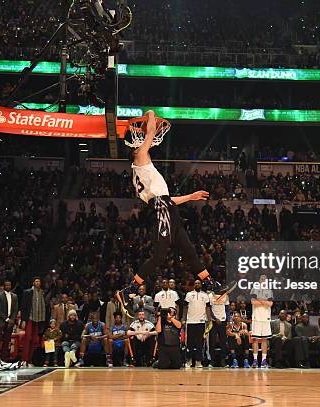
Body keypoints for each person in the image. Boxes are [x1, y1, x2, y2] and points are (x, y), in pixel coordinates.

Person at [117, 110, 229, 314]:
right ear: (136, 149)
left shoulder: (143, 169)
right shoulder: (140, 157)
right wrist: (150, 114)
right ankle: (129, 290)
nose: (146, 145)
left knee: (189, 251)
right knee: (159, 256)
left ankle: (212, 285)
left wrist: (190, 196)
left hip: (166, 208)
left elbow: (167, 199)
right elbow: (150, 132)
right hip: (162, 210)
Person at [183, 280, 211, 368]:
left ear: (201, 285)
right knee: (190, 343)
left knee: (200, 343)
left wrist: (209, 320)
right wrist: (184, 319)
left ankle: (199, 361)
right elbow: (185, 307)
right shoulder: (189, 294)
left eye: (198, 283)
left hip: (201, 322)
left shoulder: (205, 295)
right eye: (195, 283)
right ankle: (189, 361)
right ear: (194, 285)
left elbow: (207, 308)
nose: (197, 284)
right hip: (190, 321)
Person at [21, 277, 48, 366]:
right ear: (33, 283)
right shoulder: (27, 292)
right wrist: (23, 320)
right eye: (36, 281)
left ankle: (29, 360)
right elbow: (24, 307)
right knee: (27, 338)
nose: (38, 283)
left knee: (34, 340)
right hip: (29, 317)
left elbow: (43, 306)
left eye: (39, 281)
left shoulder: (42, 293)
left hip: (38, 318)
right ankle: (24, 359)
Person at [250, 275, 273, 368]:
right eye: (261, 279)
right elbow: (253, 302)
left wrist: (259, 300)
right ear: (259, 280)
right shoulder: (254, 289)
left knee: (264, 340)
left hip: (266, 318)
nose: (263, 280)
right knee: (255, 339)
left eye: (264, 279)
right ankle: (255, 360)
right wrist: (264, 302)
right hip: (256, 317)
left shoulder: (269, 291)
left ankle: (264, 361)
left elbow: (270, 304)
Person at [0, 280, 19, 362]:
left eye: (9, 285)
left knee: (6, 340)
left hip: (10, 321)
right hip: (1, 321)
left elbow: (15, 309)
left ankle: (4, 359)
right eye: (6, 285)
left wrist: (12, 319)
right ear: (4, 286)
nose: (8, 286)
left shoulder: (14, 296)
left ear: (11, 286)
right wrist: (7, 319)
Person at [208, 288, 229, 367]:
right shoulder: (210, 296)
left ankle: (223, 360)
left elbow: (227, 309)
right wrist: (214, 318)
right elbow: (209, 309)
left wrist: (228, 320)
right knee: (212, 341)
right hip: (213, 322)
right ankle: (212, 361)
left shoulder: (225, 296)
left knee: (223, 342)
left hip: (223, 321)